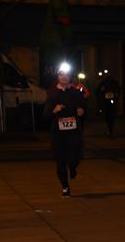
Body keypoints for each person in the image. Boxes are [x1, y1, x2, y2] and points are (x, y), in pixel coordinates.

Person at [44, 66, 87, 197]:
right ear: (58, 77)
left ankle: (73, 167)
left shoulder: (76, 92)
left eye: (67, 75)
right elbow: (45, 115)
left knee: (74, 157)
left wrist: (81, 111)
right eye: (61, 75)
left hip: (74, 132)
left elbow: (84, 108)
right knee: (60, 160)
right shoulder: (52, 93)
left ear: (70, 77)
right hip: (58, 132)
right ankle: (65, 187)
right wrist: (54, 110)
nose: (64, 77)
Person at [96, 71, 120, 136]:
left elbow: (118, 90)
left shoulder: (114, 82)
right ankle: (109, 129)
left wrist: (116, 95)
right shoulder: (102, 83)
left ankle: (111, 129)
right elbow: (98, 91)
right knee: (107, 115)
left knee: (111, 115)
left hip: (112, 101)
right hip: (105, 102)